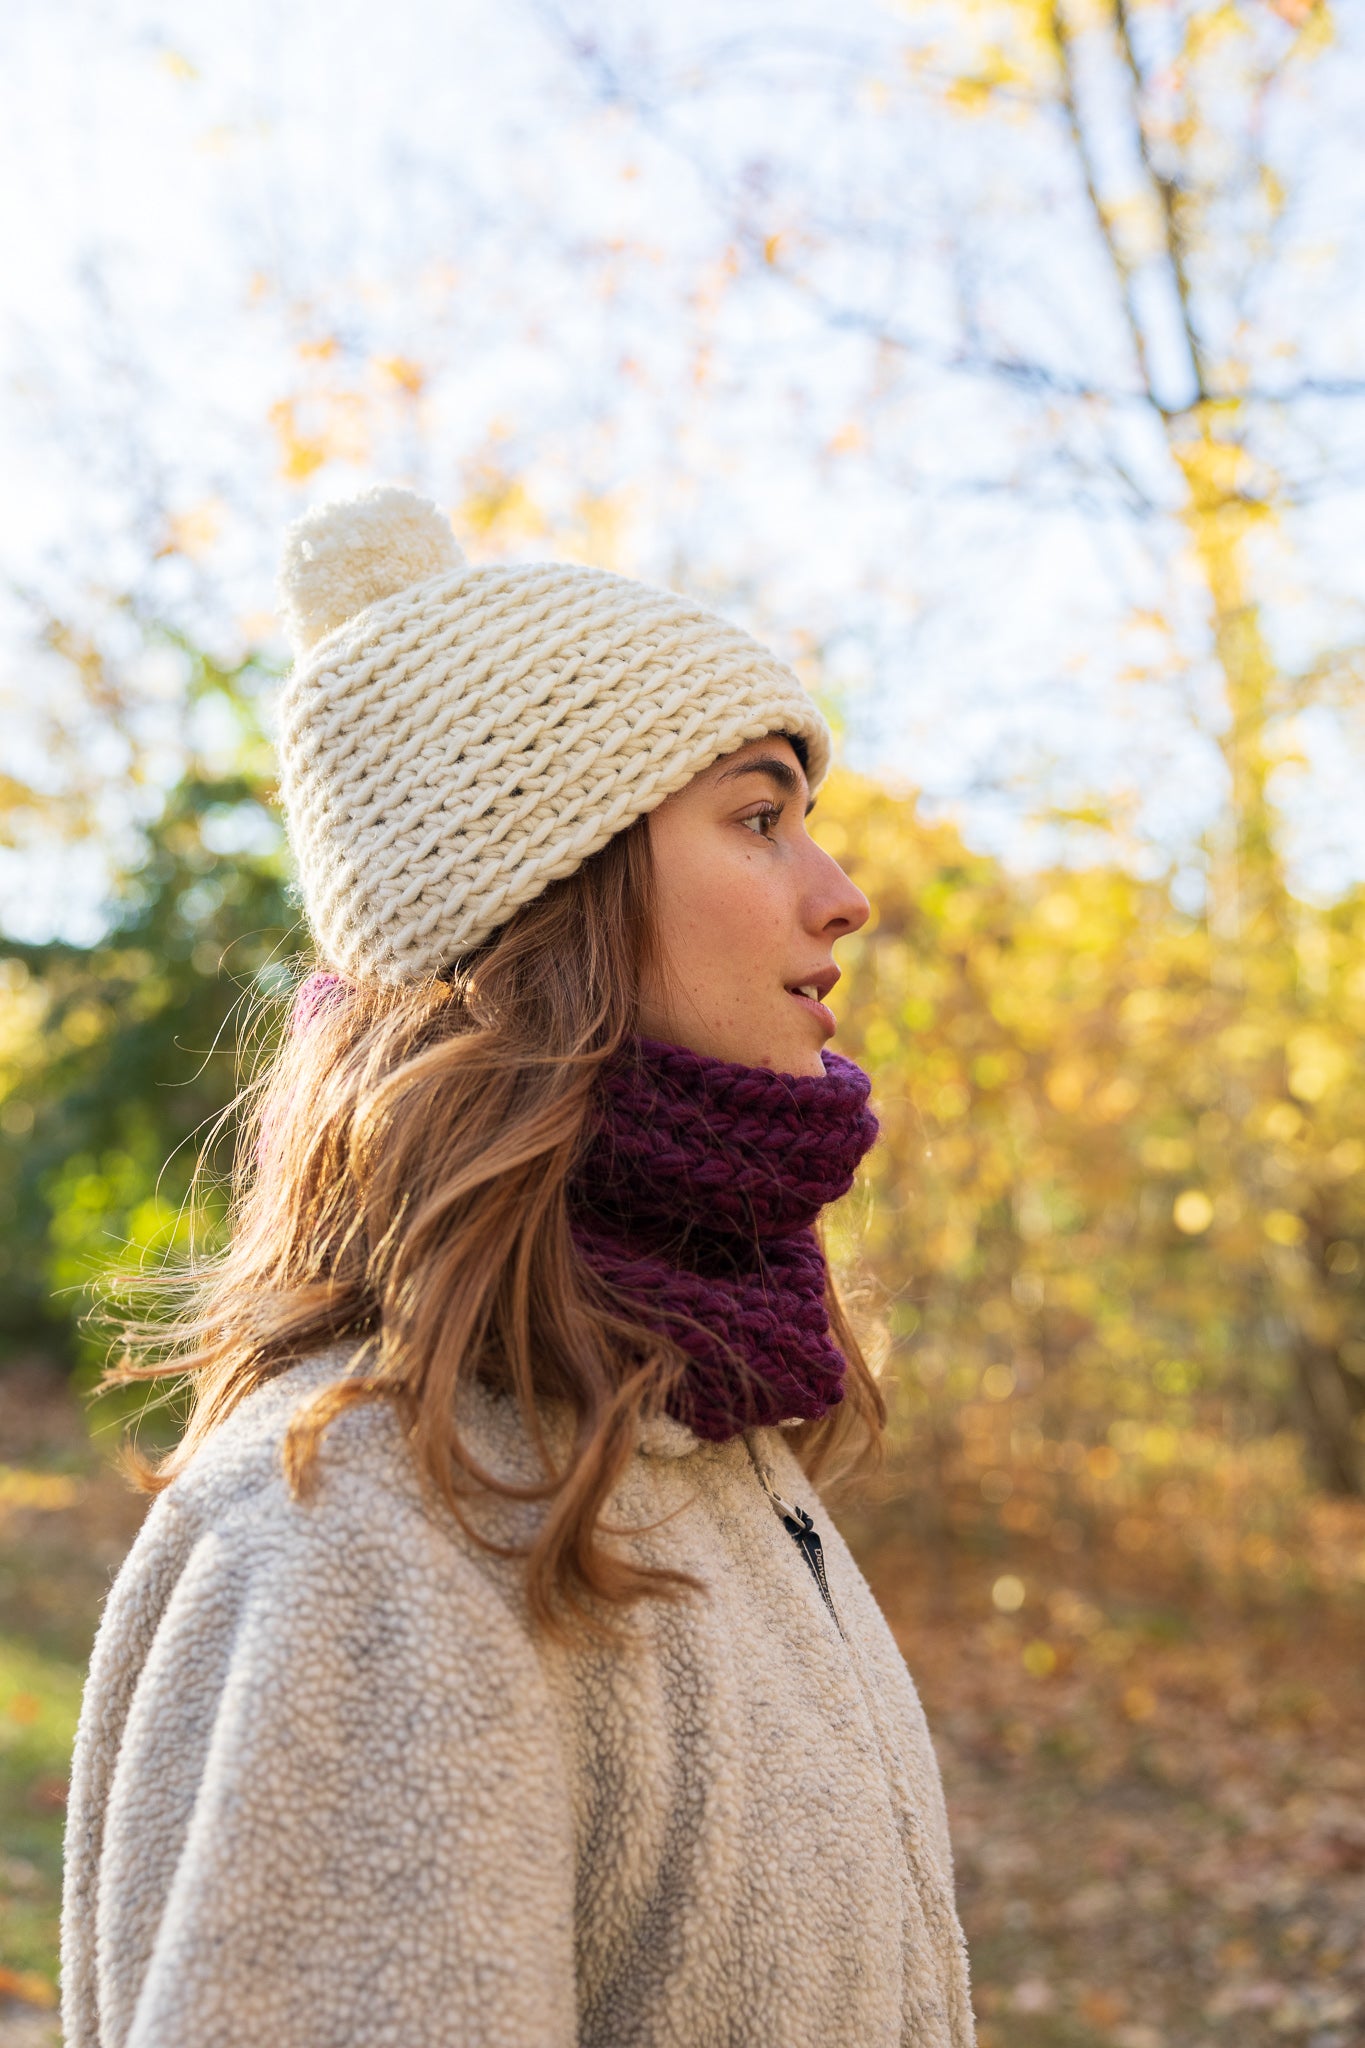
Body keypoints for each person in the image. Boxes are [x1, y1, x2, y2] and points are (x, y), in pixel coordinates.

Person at [60, 486, 976, 2048]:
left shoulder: (699, 1440)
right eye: (759, 817)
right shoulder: (374, 1517)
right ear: (550, 894)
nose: (841, 892)